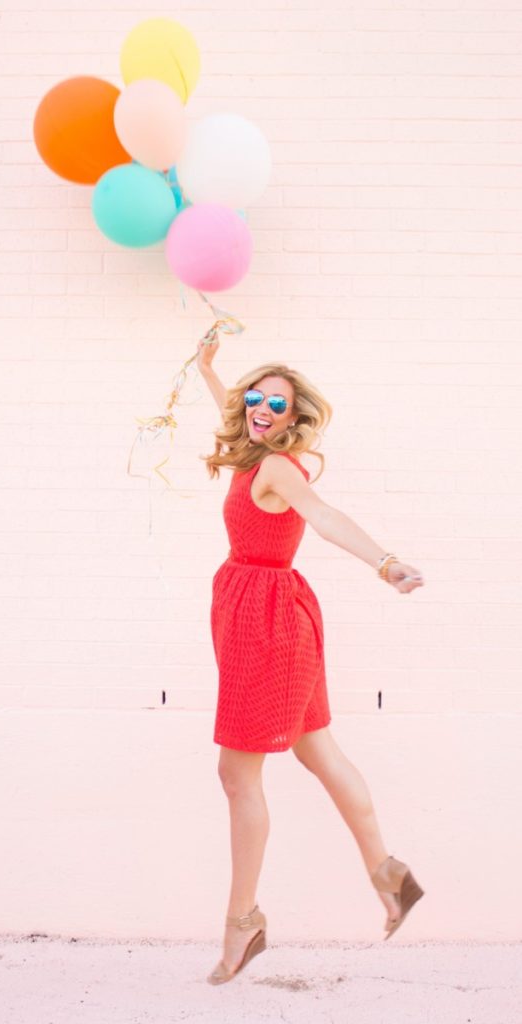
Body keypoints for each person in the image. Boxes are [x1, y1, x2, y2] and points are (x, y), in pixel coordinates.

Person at [196, 338, 425, 986]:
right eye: (254, 397)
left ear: (293, 418)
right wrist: (211, 371)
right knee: (317, 751)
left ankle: (242, 921)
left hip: (267, 627)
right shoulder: (252, 450)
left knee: (239, 776)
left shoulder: (278, 470)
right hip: (270, 616)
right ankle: (391, 878)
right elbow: (236, 416)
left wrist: (384, 561)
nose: (260, 409)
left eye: (276, 403)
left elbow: (323, 516)